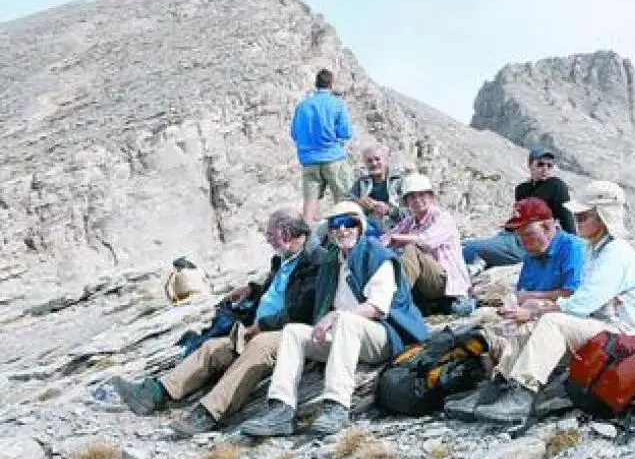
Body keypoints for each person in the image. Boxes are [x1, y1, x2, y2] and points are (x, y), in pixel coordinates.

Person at [110, 209, 325, 437]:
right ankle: (155, 393)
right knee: (213, 348)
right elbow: (278, 292)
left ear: (287, 234)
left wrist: (261, 326)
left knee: (258, 347)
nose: (267, 239)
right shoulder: (283, 258)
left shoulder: (315, 261)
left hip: (288, 333)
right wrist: (252, 290)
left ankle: (209, 413)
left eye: (271, 234)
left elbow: (301, 310)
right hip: (261, 328)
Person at [470, 180, 635, 424]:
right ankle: (503, 383)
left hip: (629, 333)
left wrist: (536, 311)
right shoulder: (595, 250)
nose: (576, 221)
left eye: (583, 216)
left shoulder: (615, 253)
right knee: (532, 325)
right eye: (577, 216)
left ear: (604, 217)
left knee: (551, 322)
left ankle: (522, 394)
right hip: (609, 327)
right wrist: (535, 309)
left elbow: (583, 303)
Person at [239, 201, 429, 437]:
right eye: (335, 225)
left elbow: (377, 309)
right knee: (293, 332)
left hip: (384, 336)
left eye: (349, 223)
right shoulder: (332, 261)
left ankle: (337, 406)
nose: (342, 230)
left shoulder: (377, 255)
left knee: (347, 322)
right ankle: (281, 408)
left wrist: (336, 316)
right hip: (345, 335)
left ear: (360, 226)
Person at [444, 197, 587, 420]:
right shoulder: (532, 254)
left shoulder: (572, 248)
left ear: (548, 226)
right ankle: (497, 384)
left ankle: (519, 390)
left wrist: (531, 300)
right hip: (536, 311)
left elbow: (572, 295)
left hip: (565, 317)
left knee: (528, 323)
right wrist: (513, 307)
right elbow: (521, 293)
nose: (524, 242)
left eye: (528, 234)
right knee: (489, 322)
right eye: (519, 236)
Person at [462, 147, 576, 276]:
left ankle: (470, 274)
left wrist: (573, 250)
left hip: (524, 243)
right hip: (507, 236)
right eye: (540, 164)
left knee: (468, 248)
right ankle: (479, 266)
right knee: (463, 245)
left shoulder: (557, 186)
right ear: (530, 165)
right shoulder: (522, 189)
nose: (545, 169)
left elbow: (567, 219)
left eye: (549, 166)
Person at [381, 173, 474, 316]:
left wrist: (399, 238)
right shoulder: (410, 221)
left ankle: (396, 299)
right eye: (412, 197)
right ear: (407, 201)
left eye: (422, 195)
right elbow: (387, 238)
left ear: (431, 197)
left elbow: (427, 241)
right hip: (429, 282)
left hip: (447, 281)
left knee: (411, 248)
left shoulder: (442, 217)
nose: (417, 200)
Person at [291, 68, 354, 223]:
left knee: (310, 203)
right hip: (333, 158)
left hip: (309, 161)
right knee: (344, 199)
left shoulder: (302, 106)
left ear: (316, 84)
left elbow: (294, 133)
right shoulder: (337, 104)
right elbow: (346, 132)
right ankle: (345, 232)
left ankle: (305, 234)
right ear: (331, 84)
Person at [347, 143, 406, 233]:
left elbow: (411, 212)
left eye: (377, 159)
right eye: (369, 161)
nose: (374, 163)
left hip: (395, 227)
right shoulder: (362, 181)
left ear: (386, 160)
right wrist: (359, 202)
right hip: (367, 225)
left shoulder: (400, 181)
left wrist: (389, 210)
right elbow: (347, 202)